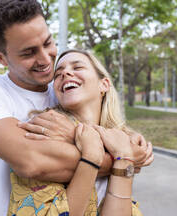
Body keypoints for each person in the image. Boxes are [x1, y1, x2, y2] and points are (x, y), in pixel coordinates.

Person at [0, 0, 153, 216]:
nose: (45, 59)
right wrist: (121, 159)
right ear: (1, 57)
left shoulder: (65, 91)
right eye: (28, 52)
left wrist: (121, 152)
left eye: (48, 43)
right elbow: (32, 161)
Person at [8, 49, 148, 215]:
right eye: (58, 73)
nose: (65, 73)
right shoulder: (42, 130)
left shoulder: (121, 142)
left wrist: (124, 156)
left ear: (104, 84)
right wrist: (91, 157)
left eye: (77, 67)